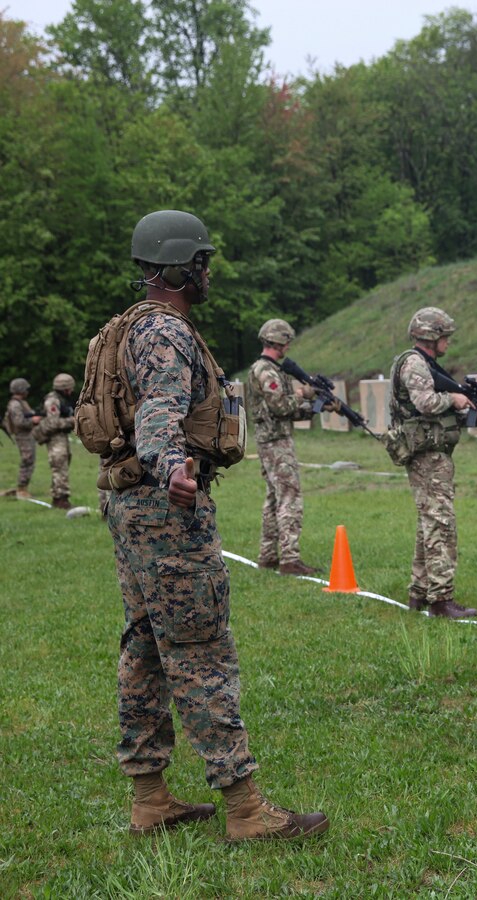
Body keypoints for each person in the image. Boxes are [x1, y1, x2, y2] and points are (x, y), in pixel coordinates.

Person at [102, 209, 328, 840]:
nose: (208, 273)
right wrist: (174, 465)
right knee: (200, 647)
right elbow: (159, 415)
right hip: (165, 509)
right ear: (177, 267)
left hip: (131, 505)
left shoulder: (129, 328)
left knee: (145, 644)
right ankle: (247, 809)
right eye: (200, 263)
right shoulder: (167, 334)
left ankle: (150, 798)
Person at [390, 307, 477, 618]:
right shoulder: (416, 364)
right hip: (427, 456)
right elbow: (426, 403)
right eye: (445, 336)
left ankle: (419, 592)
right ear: (432, 337)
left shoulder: (426, 364)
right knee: (441, 524)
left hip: (433, 452)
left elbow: (439, 409)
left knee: (428, 523)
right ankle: (442, 600)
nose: (448, 342)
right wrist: (454, 399)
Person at [247, 319, 325, 576]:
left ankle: (268, 555)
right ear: (278, 341)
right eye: (286, 342)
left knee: (273, 499)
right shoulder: (267, 371)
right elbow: (281, 407)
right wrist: (304, 394)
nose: (288, 346)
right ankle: (290, 558)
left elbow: (289, 412)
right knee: (290, 497)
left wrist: (318, 406)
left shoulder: (268, 369)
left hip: (272, 439)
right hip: (275, 442)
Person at [42, 373, 76, 510]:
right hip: (55, 438)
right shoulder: (52, 401)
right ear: (65, 388)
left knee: (63, 464)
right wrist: (73, 421)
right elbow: (53, 422)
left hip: (61, 437)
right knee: (59, 466)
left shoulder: (60, 399)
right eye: (70, 388)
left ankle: (60, 497)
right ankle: (60, 499)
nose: (72, 391)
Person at [3, 378, 41, 498]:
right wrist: (33, 421)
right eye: (26, 389)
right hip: (22, 436)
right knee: (27, 460)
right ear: (21, 390)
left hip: (27, 435)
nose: (27, 391)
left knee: (29, 460)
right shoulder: (15, 404)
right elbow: (18, 422)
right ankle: (21, 488)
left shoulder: (21, 402)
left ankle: (23, 487)